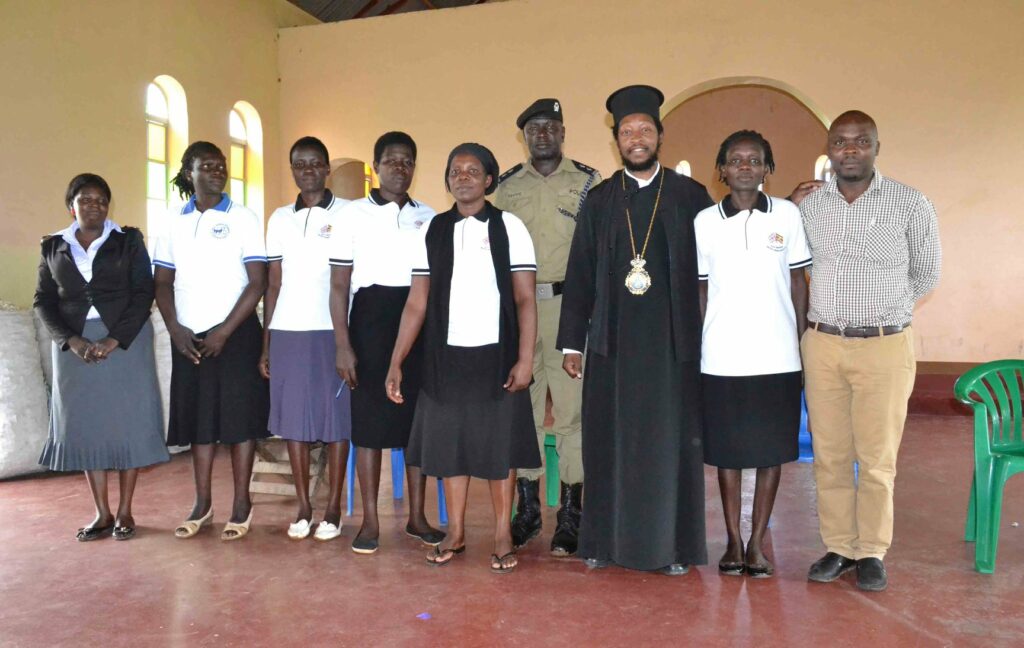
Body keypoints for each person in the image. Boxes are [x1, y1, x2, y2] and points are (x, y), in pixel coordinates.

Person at [557, 85, 713, 575]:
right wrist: (571, 341)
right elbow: (580, 273)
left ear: (660, 136)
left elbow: (713, 271)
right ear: (617, 143)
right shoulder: (601, 200)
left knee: (670, 444)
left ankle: (671, 547)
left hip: (672, 348)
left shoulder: (691, 197)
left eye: (645, 129)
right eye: (627, 132)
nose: (637, 138)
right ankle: (603, 541)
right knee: (609, 440)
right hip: (612, 344)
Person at [798, 111, 941, 591]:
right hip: (822, 344)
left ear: (877, 147)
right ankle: (839, 545)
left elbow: (926, 273)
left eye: (861, 141)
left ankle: (873, 550)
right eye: (840, 142)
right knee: (831, 455)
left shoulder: (910, 203)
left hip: (884, 345)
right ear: (829, 150)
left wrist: (886, 311)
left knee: (878, 458)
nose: (850, 150)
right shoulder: (810, 208)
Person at [385, 143, 541, 573]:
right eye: (456, 170)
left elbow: (526, 300)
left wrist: (525, 359)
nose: (464, 177)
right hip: (444, 357)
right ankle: (454, 531)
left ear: (489, 180)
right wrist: (397, 360)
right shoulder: (433, 230)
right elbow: (417, 303)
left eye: (474, 170)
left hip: (498, 356)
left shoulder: (510, 227)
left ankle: (502, 533)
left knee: (499, 451)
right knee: (450, 448)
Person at [695, 131, 811, 578]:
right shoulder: (705, 221)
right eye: (736, 160)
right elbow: (702, 289)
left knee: (769, 451)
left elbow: (799, 283)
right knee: (726, 452)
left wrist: (800, 340)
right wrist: (703, 341)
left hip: (778, 356)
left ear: (768, 169)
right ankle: (731, 541)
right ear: (721, 169)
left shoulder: (787, 215)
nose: (745, 166)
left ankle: (758, 543)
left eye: (755, 160)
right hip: (721, 356)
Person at [34, 173, 170, 541]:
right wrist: (71, 341)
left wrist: (114, 339)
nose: (94, 206)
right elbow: (43, 302)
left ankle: (125, 510)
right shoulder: (52, 247)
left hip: (125, 342)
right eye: (85, 200)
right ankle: (102, 513)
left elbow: (144, 292)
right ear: (71, 206)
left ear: (108, 206)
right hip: (74, 348)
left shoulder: (128, 241)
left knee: (129, 423)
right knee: (89, 426)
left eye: (100, 200)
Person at [494, 98, 600, 556]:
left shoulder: (589, 182)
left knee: (573, 414)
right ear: (524, 137)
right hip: (519, 313)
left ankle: (572, 515)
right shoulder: (506, 188)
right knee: (527, 413)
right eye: (534, 128)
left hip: (568, 308)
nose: (542, 135)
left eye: (550, 127)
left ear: (563, 132)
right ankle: (529, 511)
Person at [329, 132, 444, 554]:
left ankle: (416, 517)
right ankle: (371, 522)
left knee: (417, 421)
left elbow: (431, 283)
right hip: (370, 321)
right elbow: (339, 286)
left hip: (417, 319)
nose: (400, 167)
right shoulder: (352, 214)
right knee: (369, 425)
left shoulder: (428, 216)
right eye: (391, 160)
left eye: (408, 161)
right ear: (375, 166)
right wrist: (343, 344)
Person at [152, 141, 270, 541]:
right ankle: (202, 504)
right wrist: (175, 328)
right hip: (189, 336)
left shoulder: (244, 218)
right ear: (190, 173)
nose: (218, 171)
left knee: (238, 423)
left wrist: (224, 331)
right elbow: (162, 282)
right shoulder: (172, 222)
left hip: (234, 334)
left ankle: (242, 503)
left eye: (222, 166)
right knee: (200, 423)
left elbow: (258, 283)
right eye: (208, 166)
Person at [260, 136, 351, 542]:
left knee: (336, 421)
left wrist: (347, 339)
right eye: (300, 164)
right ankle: (303, 505)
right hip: (288, 331)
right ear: (293, 169)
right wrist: (266, 342)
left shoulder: (349, 214)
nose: (308, 170)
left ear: (327, 167)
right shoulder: (279, 218)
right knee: (294, 421)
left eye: (315, 163)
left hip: (334, 329)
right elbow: (273, 283)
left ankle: (333, 507)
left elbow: (348, 281)